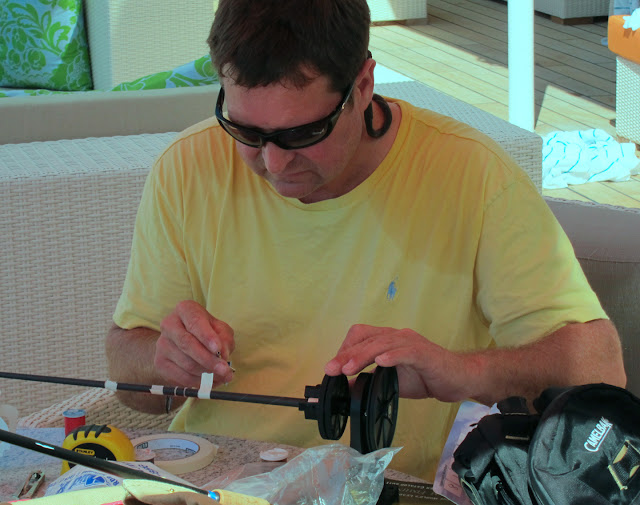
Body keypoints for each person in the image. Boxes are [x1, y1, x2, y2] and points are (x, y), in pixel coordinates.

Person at [106, 0, 626, 482]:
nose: (274, 162)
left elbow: (600, 371)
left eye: (302, 134)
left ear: (363, 85)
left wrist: (462, 371)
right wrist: (161, 360)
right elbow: (128, 365)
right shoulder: (187, 167)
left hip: (393, 486)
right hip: (214, 479)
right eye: (246, 132)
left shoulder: (471, 175)